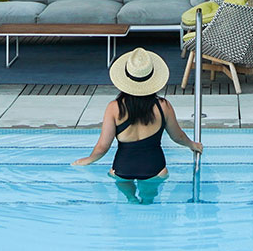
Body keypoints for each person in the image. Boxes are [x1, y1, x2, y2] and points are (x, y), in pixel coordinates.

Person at [74, 48, 202, 202]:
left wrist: (88, 160)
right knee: (149, 201)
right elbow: (178, 136)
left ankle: (130, 198)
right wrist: (192, 145)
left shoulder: (114, 108)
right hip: (155, 169)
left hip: (122, 170)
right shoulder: (163, 106)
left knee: (129, 200)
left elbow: (103, 146)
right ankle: (146, 201)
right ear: (152, 79)